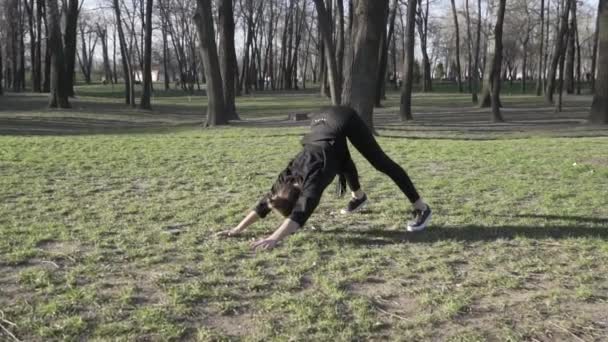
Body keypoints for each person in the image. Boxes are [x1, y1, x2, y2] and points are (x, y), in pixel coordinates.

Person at [216, 106, 431, 250]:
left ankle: (421, 207)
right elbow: (264, 204)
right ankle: (359, 197)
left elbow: (298, 217)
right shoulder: (285, 179)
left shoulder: (312, 184)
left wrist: (274, 238)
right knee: (340, 159)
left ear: (297, 199)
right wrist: (236, 229)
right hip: (321, 122)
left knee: (380, 162)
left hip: (343, 119)